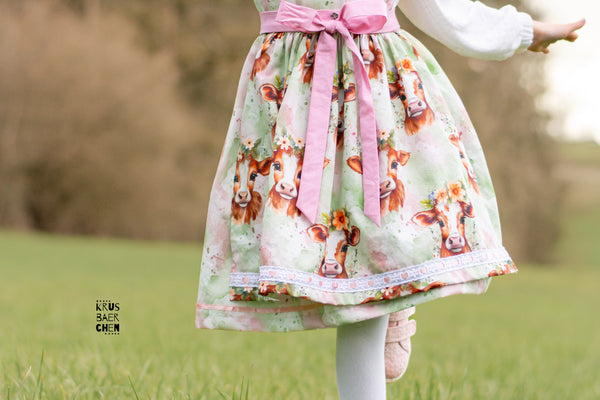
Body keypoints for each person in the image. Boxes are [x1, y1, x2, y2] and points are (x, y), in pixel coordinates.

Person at [194, 0, 583, 398]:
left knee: (370, 263)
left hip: (374, 87)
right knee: (303, 238)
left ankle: (389, 285)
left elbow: (440, 10)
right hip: (291, 94)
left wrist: (521, 31)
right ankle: (391, 288)